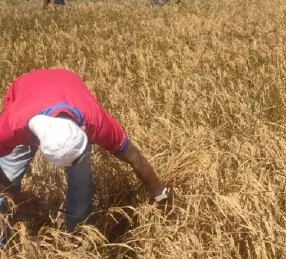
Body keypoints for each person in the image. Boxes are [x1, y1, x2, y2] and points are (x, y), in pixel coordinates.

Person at [0, 69, 170, 234]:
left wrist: (160, 195)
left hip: (67, 82)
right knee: (8, 176)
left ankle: (78, 236)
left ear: (82, 131)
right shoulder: (12, 127)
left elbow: (134, 157)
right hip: (27, 88)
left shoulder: (97, 123)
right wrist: (16, 195)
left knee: (81, 180)